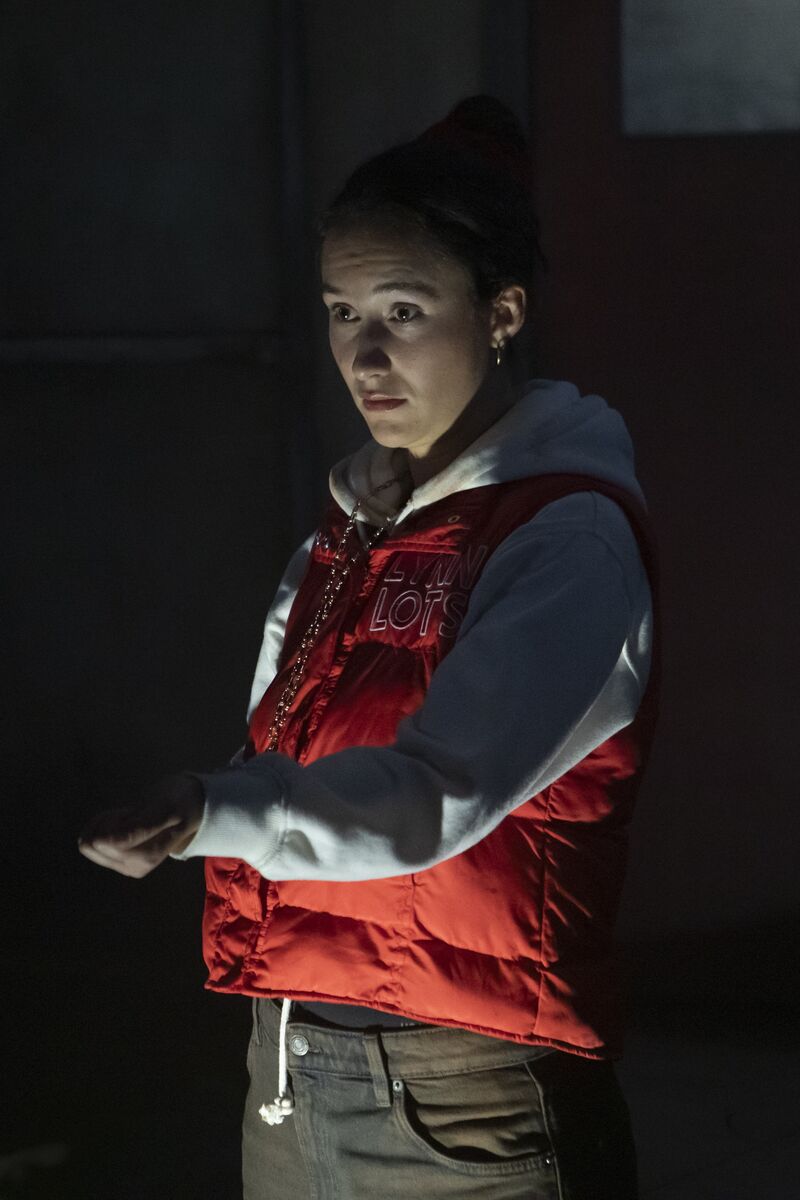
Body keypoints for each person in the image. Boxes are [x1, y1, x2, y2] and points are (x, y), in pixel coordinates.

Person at [79, 95, 659, 1199]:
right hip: (292, 1053)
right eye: (343, 311)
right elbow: (279, 764)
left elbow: (439, 790)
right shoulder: (355, 527)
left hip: (465, 1087)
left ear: (501, 312)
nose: (365, 350)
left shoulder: (564, 535)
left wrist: (214, 811)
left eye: (404, 308)